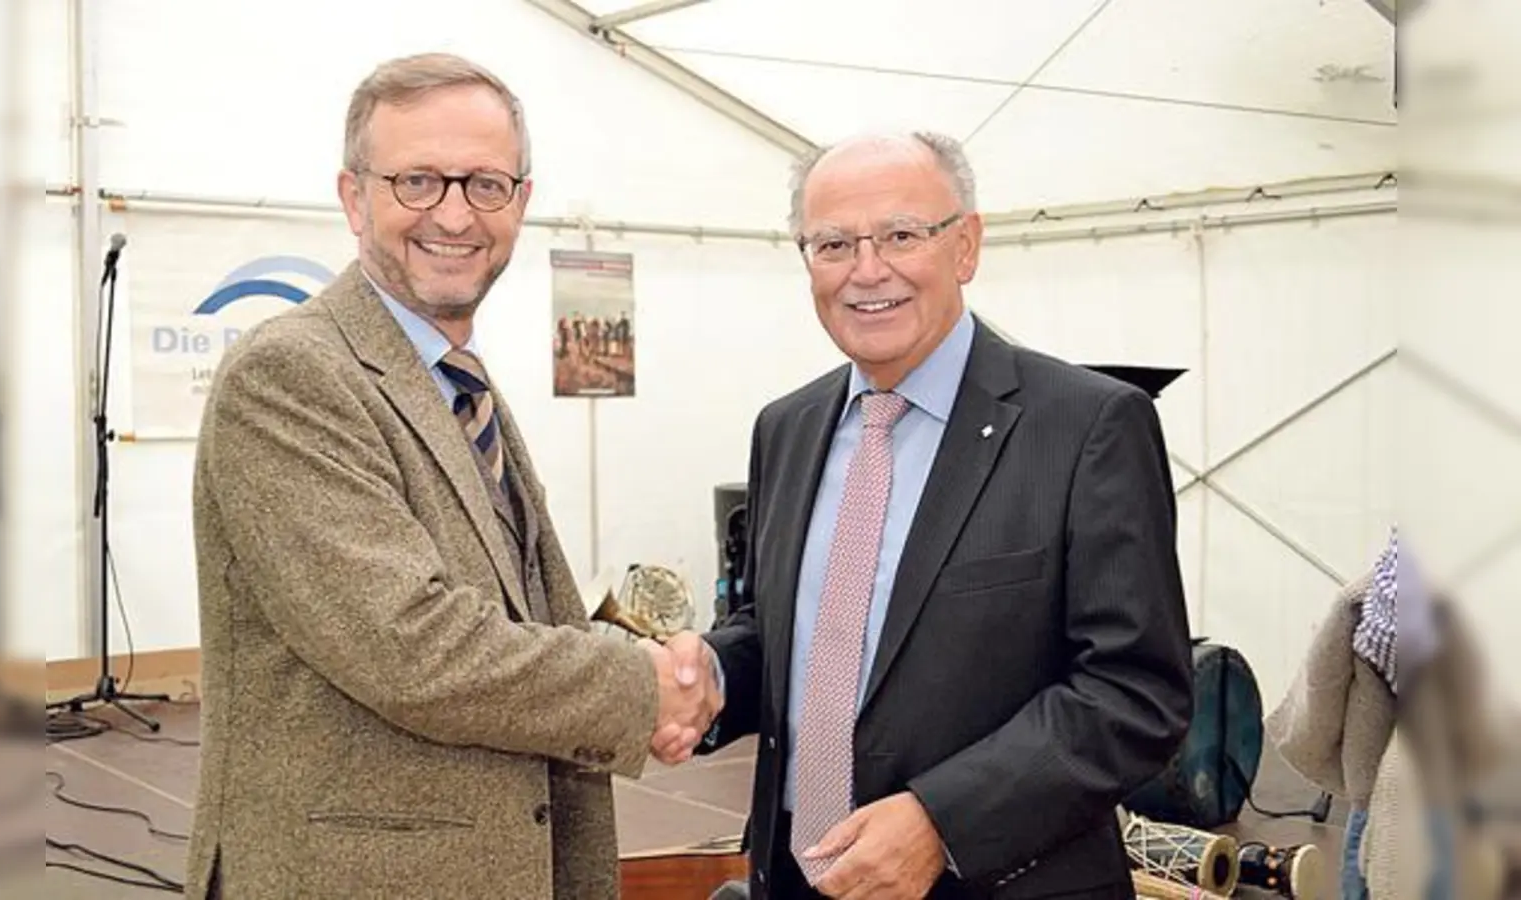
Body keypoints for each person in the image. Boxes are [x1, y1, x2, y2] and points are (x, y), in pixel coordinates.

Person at [185, 52, 718, 900]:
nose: (455, 214)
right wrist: (638, 688)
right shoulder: (290, 373)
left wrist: (661, 670)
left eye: (485, 184)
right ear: (354, 197)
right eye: (418, 181)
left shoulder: (452, 377)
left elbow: (519, 614)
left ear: (521, 202)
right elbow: (409, 646)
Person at [658, 132, 1194, 899]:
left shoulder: (1086, 427)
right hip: (798, 878)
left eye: (901, 235)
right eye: (833, 244)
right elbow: (788, 634)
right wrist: (710, 672)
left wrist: (943, 823)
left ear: (965, 246)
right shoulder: (787, 427)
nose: (867, 270)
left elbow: (1134, 693)